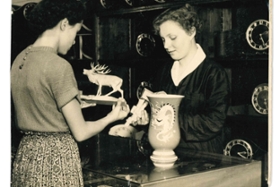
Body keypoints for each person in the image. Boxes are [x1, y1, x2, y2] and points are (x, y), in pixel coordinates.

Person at [10, 0, 130, 186]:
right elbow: (80, 132)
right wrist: (112, 117)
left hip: (26, 156)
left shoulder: (19, 59)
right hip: (56, 159)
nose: (74, 40)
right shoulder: (59, 66)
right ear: (64, 24)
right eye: (75, 32)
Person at [146, 3, 230, 154]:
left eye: (172, 38)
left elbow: (213, 123)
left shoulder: (214, 73)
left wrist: (168, 119)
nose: (166, 45)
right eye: (163, 39)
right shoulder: (164, 71)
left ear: (191, 32)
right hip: (167, 154)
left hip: (204, 158)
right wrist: (146, 118)